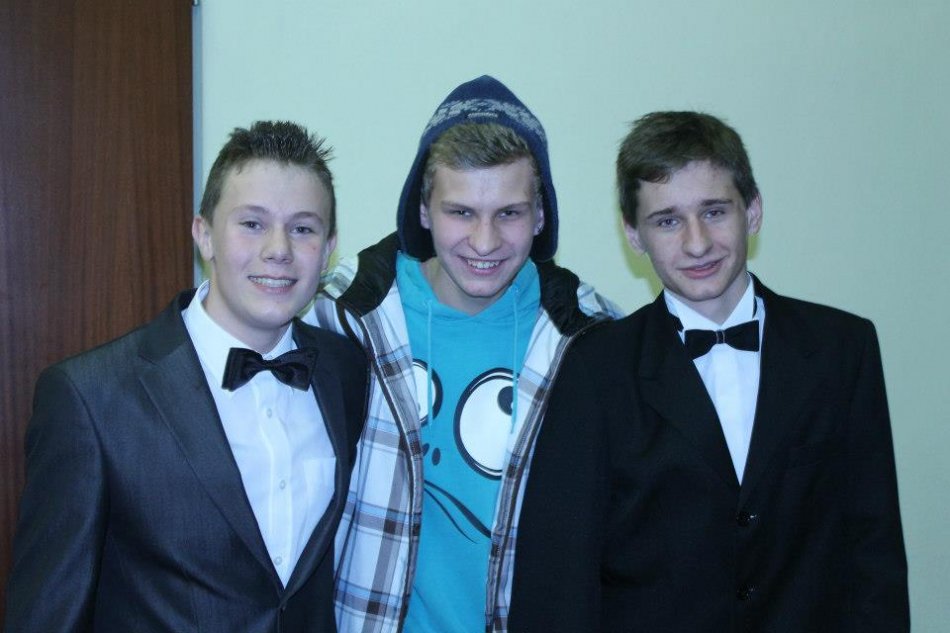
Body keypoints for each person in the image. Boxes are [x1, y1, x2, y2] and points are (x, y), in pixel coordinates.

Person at [510, 111, 910, 632]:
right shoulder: (592, 370)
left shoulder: (843, 350)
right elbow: (560, 576)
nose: (697, 243)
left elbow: (874, 551)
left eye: (714, 212)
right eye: (667, 221)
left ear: (753, 210)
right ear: (634, 235)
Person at [5, 121, 368, 632]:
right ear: (204, 235)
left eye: (303, 229)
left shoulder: (347, 371)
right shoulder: (90, 398)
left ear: (328, 248)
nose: (279, 249)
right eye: (252, 223)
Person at [305, 75, 619, 632]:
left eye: (509, 213)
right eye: (461, 212)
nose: (484, 241)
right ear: (424, 211)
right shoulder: (343, 316)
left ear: (541, 216)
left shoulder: (590, 339)